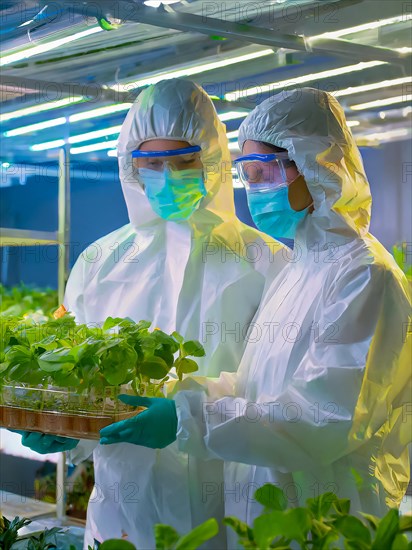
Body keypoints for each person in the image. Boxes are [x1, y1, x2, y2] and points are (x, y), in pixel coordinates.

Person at [102, 87, 411, 545]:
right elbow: (256, 387)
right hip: (267, 516)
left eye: (265, 172)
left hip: (329, 519)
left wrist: (193, 421)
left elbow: (321, 416)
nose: (254, 189)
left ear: (314, 165)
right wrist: (183, 397)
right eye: (247, 174)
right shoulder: (301, 268)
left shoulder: (365, 276)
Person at [16, 79, 287, 548]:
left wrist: (189, 419)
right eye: (151, 163)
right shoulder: (101, 262)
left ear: (213, 161)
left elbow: (280, 391)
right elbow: (85, 383)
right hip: (122, 508)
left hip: (227, 503)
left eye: (183, 161)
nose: (166, 175)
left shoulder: (267, 262)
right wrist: (66, 430)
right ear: (130, 167)